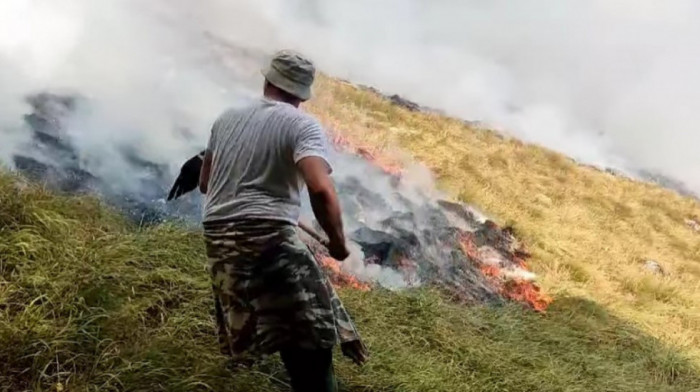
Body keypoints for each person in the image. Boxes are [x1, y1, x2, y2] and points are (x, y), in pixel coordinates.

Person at [198, 49, 367, 392]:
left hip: (217, 239)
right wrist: (336, 243)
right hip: (267, 236)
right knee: (312, 341)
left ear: (268, 79)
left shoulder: (226, 118)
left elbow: (205, 184)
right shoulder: (301, 124)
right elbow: (320, 189)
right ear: (303, 93)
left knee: (282, 325)